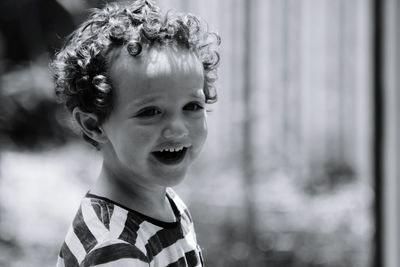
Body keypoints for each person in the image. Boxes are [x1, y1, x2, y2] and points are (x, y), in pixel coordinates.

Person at [51, 1, 220, 266]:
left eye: (192, 106)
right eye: (150, 112)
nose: (177, 127)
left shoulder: (165, 200)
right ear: (94, 126)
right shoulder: (115, 249)